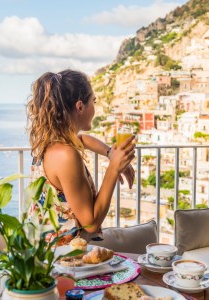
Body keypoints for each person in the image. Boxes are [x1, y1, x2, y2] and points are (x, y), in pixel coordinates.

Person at [26, 69, 136, 242]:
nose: (95, 107)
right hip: (59, 261)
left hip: (45, 255)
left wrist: (109, 152)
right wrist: (114, 169)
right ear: (80, 107)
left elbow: (82, 139)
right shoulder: (66, 155)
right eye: (93, 101)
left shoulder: (52, 142)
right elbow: (90, 224)